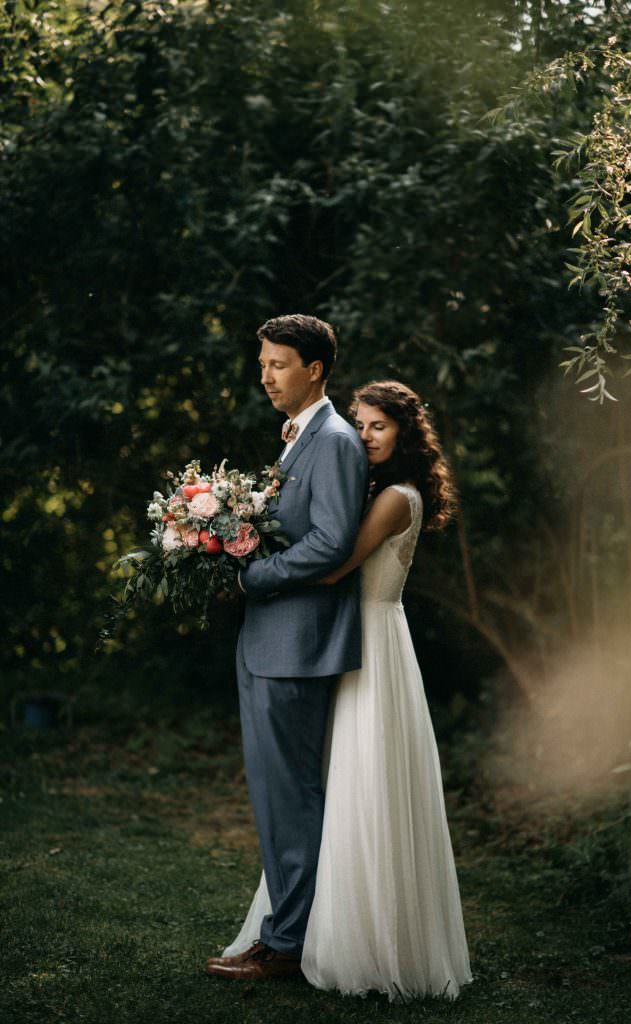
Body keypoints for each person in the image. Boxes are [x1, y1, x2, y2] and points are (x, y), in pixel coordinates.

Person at [212, 379, 472, 1000]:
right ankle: (321, 928)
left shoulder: (395, 499)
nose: (364, 436)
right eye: (360, 424)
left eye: (378, 427)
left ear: (405, 434)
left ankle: (360, 943)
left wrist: (246, 570)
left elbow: (332, 563)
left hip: (374, 648)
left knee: (364, 790)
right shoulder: (377, 487)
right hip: (356, 641)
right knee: (339, 790)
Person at [205, 314, 368, 981]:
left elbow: (331, 542)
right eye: (264, 362)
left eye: (278, 364)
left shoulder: (331, 440)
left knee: (291, 797)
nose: (266, 375)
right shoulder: (299, 438)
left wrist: (254, 575)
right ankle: (280, 931)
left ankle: (289, 945)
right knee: (275, 798)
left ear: (316, 369)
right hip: (270, 643)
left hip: (295, 644)